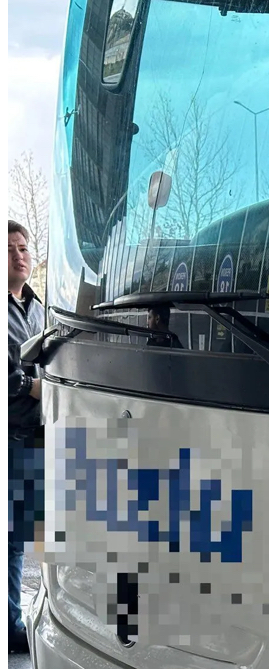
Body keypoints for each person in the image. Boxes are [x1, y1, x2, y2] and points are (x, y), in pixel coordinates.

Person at [8, 220, 45, 655]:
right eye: (11, 249)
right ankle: (10, 625)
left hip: (37, 433)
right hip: (11, 435)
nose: (20, 254)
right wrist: (30, 384)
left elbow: (48, 356)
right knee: (13, 539)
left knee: (26, 531)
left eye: (24, 247)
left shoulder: (38, 307)